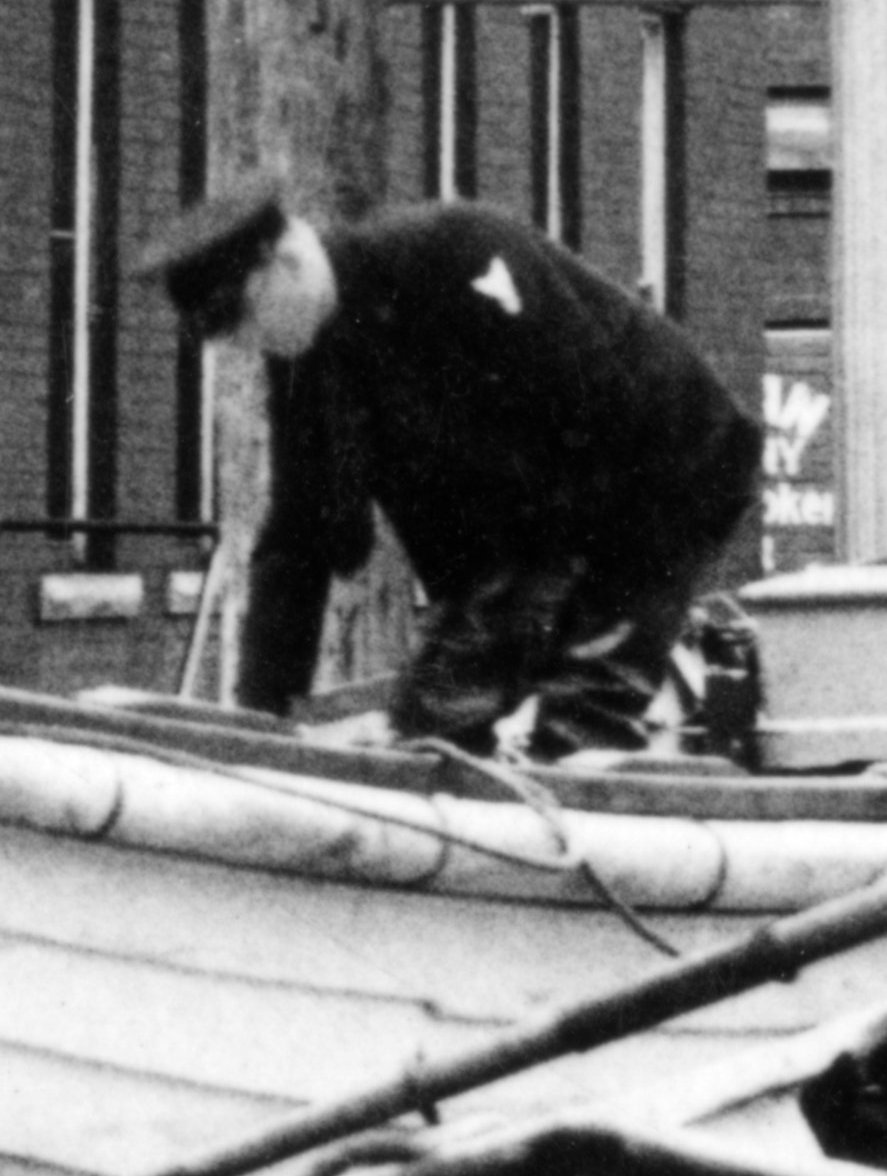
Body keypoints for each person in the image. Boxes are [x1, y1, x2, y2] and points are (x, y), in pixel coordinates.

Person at [151, 177, 760, 751]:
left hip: (660, 471)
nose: (244, 345)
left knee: (581, 708)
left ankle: (577, 770)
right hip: (520, 539)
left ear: (285, 264)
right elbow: (297, 540)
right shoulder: (305, 361)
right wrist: (261, 718)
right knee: (433, 725)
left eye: (243, 319)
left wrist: (545, 626)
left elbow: (589, 410)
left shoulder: (457, 251)